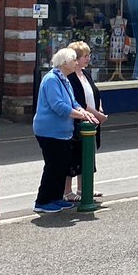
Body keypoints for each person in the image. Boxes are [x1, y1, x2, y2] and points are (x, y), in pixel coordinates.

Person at [32, 48, 99, 214]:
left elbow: (72, 101)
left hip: (63, 132)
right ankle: (43, 201)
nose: (76, 63)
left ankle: (56, 198)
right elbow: (59, 106)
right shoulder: (51, 80)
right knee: (53, 166)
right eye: (73, 60)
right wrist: (79, 115)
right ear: (64, 63)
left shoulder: (64, 79)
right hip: (49, 131)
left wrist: (84, 112)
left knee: (61, 166)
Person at [64, 41, 108, 202]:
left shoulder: (85, 74)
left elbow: (96, 93)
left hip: (92, 121)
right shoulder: (70, 77)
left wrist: (100, 109)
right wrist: (97, 115)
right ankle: (67, 191)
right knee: (73, 156)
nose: (88, 58)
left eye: (88, 55)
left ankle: (84, 189)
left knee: (87, 155)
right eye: (85, 56)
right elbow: (79, 102)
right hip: (78, 123)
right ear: (75, 58)